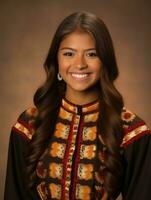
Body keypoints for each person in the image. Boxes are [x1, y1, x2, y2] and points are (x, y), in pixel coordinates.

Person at [4, 11, 151, 200]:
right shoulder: (29, 124)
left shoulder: (132, 132)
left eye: (91, 54)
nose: (79, 64)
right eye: (69, 53)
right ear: (56, 60)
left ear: (105, 60)